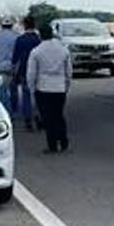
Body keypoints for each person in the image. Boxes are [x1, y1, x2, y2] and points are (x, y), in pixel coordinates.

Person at [27, 23, 72, 153]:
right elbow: (68, 71)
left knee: (47, 117)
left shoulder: (36, 51)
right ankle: (63, 141)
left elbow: (31, 73)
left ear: (40, 35)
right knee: (59, 115)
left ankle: (52, 145)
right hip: (59, 87)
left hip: (43, 88)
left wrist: (32, 88)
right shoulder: (63, 49)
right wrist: (67, 84)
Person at [11, 15, 42, 131]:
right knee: (38, 97)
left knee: (26, 96)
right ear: (35, 25)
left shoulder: (20, 40)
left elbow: (15, 59)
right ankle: (39, 118)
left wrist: (14, 72)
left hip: (24, 71)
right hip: (38, 72)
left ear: (24, 25)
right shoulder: (38, 40)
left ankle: (28, 120)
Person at [0, 16, 19, 111]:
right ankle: (14, 110)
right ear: (11, 25)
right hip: (13, 66)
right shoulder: (17, 36)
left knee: (3, 90)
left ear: (2, 25)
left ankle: (6, 110)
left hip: (0, 66)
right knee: (13, 89)